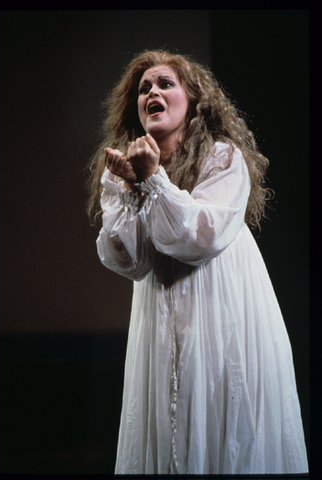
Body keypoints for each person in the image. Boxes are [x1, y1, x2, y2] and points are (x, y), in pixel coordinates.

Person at [85, 50, 308, 475]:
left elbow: (196, 236)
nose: (151, 91)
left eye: (165, 83)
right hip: (160, 316)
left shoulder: (222, 157)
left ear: (193, 101)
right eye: (143, 88)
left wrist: (153, 181)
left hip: (223, 310)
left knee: (225, 422)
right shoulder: (124, 173)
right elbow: (127, 260)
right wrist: (129, 191)